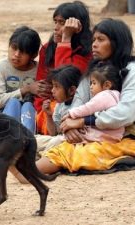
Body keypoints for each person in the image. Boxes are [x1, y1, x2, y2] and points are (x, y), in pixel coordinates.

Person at [32, 18, 135, 176]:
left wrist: (82, 121)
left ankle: (30, 171)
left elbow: (125, 114)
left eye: (101, 40)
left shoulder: (134, 70)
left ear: (117, 43)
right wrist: (69, 127)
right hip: (99, 134)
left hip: (133, 139)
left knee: (76, 152)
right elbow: (76, 103)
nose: (94, 44)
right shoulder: (96, 70)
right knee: (61, 143)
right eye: (93, 39)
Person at [11, 65, 82, 183]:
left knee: (57, 141)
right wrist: (49, 115)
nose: (52, 90)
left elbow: (64, 136)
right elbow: (53, 132)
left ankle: (36, 165)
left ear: (72, 90)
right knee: (31, 138)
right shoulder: (60, 104)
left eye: (57, 87)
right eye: (53, 86)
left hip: (68, 143)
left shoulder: (79, 105)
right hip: (57, 138)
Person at [34, 1, 93, 135]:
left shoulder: (88, 51)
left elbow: (64, 77)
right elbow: (42, 89)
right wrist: (45, 109)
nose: (56, 28)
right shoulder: (47, 48)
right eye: (55, 22)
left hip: (78, 106)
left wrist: (66, 39)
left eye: (62, 23)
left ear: (77, 28)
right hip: (50, 107)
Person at [0, 26, 41, 134]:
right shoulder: (2, 67)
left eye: (23, 52)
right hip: (6, 114)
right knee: (14, 103)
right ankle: (9, 138)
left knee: (28, 106)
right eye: (14, 48)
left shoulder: (38, 70)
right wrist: (26, 89)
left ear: (33, 55)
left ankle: (28, 140)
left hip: (31, 116)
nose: (17, 55)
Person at [66, 62, 128, 143]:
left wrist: (71, 113)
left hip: (105, 136)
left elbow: (88, 108)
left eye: (94, 83)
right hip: (115, 135)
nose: (91, 87)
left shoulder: (105, 95)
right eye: (91, 83)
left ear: (107, 85)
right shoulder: (116, 95)